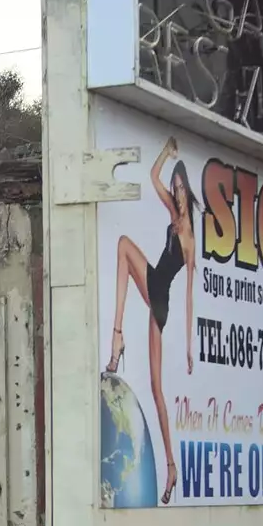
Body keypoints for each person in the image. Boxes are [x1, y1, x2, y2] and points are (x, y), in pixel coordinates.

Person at [105, 136, 197, 505]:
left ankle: (116, 337)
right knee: (157, 388)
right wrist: (168, 151)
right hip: (159, 291)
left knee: (125, 246)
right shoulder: (174, 217)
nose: (176, 194)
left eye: (180, 188)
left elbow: (190, 294)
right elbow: (153, 176)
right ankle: (172, 466)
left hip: (161, 294)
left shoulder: (189, 236)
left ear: (189, 191)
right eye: (175, 189)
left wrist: (189, 347)